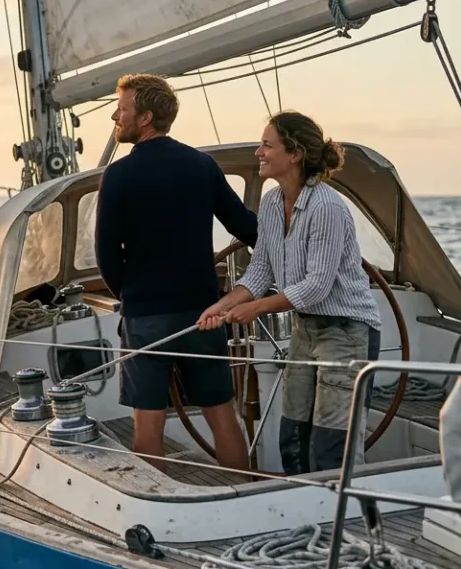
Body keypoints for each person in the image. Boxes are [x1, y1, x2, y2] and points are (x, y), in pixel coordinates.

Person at [198, 111, 381, 475]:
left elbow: (316, 286)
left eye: (267, 145)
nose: (258, 152)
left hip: (347, 333)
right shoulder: (269, 203)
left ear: (294, 154)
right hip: (305, 331)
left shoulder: (327, 207)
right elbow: (261, 269)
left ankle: (341, 524)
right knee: (293, 439)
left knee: (333, 446)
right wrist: (221, 306)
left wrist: (255, 311)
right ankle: (302, 518)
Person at [96, 74, 255, 473]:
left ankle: (155, 514)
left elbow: (105, 256)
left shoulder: (118, 176)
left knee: (147, 421)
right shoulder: (202, 166)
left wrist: (131, 294)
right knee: (222, 414)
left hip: (145, 317)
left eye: (123, 108)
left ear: (146, 117)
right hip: (204, 313)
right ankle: (246, 491)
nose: (116, 115)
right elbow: (246, 228)